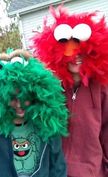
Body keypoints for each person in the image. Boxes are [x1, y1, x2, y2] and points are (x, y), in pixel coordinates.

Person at [31, 5, 108, 177]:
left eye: (81, 52)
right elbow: (23, 113)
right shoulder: (50, 88)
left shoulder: (102, 89)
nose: (75, 56)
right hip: (56, 170)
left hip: (93, 172)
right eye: (69, 52)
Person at [0, 49, 69, 177]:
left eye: (24, 97)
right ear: (1, 98)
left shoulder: (46, 126)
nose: (19, 105)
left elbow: (58, 169)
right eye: (12, 98)